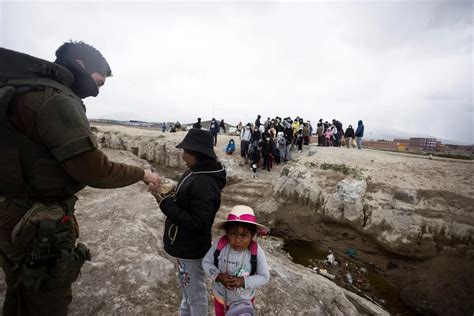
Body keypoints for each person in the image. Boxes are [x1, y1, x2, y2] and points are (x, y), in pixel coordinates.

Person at [0, 42, 160, 316]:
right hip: (32, 219)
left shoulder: (25, 88)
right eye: (98, 82)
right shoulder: (56, 99)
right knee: (45, 297)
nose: (96, 93)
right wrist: (141, 173)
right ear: (81, 64)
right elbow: (93, 169)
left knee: (21, 287)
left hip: (11, 208)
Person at [151, 128, 226, 316]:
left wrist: (165, 202)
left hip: (190, 251)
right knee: (188, 291)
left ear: (198, 154)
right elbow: (188, 202)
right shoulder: (196, 171)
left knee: (195, 295)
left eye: (186, 152)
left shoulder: (205, 183)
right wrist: (168, 193)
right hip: (185, 248)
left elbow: (197, 222)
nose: (183, 156)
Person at [202, 205, 270, 316]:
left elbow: (264, 276)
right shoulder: (220, 245)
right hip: (220, 298)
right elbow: (206, 262)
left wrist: (243, 282)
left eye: (244, 235)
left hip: (244, 301)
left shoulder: (255, 251)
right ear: (227, 233)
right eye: (233, 234)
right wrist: (218, 276)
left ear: (252, 235)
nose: (237, 240)